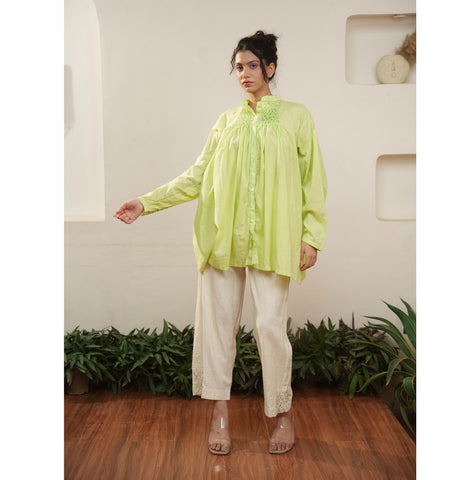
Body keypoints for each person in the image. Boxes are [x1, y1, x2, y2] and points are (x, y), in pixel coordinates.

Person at [114, 30, 327, 455]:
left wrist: (311, 237)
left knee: (270, 327)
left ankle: (282, 414)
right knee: (217, 328)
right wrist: (146, 202)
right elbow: (197, 175)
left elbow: (313, 181)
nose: (244, 74)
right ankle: (219, 414)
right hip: (223, 237)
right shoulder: (227, 121)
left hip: (274, 239)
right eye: (238, 67)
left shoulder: (297, 117)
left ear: (270, 68)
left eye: (252, 66)